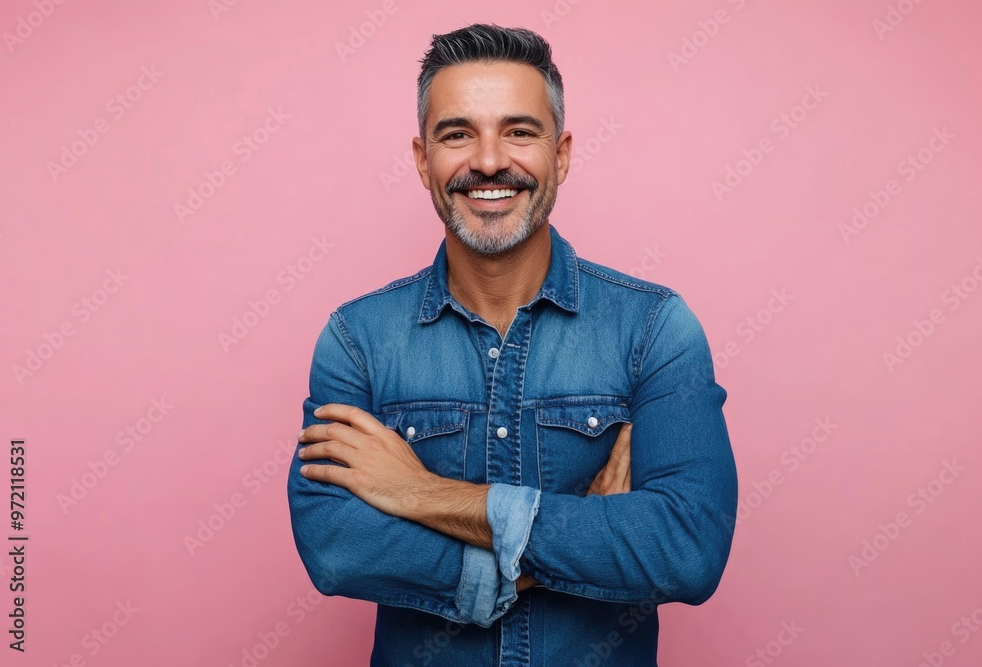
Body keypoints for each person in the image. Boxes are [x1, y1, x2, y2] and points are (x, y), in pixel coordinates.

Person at [286, 23, 737, 667]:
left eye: (519, 131)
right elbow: (335, 546)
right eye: (457, 133)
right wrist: (582, 534)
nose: (490, 160)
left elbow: (687, 549)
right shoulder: (357, 341)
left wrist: (419, 495)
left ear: (562, 154)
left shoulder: (655, 330)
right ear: (422, 160)